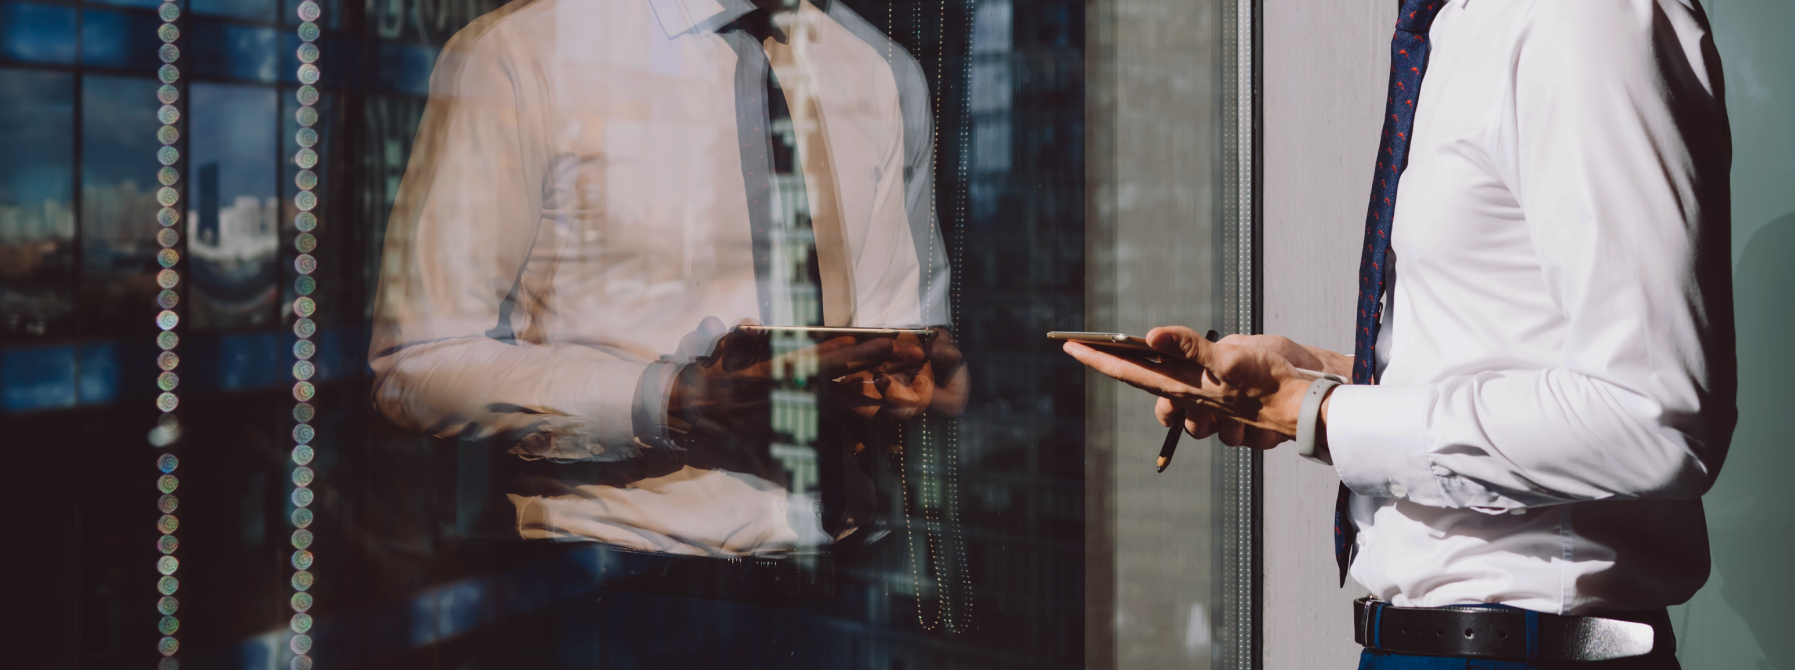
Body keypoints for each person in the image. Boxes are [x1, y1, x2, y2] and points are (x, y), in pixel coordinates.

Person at [1067, 0, 1733, 667]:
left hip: (1527, 647)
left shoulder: (1585, 17)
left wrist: (1318, 414)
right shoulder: (1456, 28)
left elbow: (1655, 417)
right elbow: (1505, 351)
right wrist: (1317, 379)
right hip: (1421, 644)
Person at [368, 0, 967, 557]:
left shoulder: (883, 73)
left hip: (853, 580)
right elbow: (418, 363)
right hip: (611, 589)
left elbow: (922, 349)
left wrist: (919, 375)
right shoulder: (525, 54)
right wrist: (675, 398)